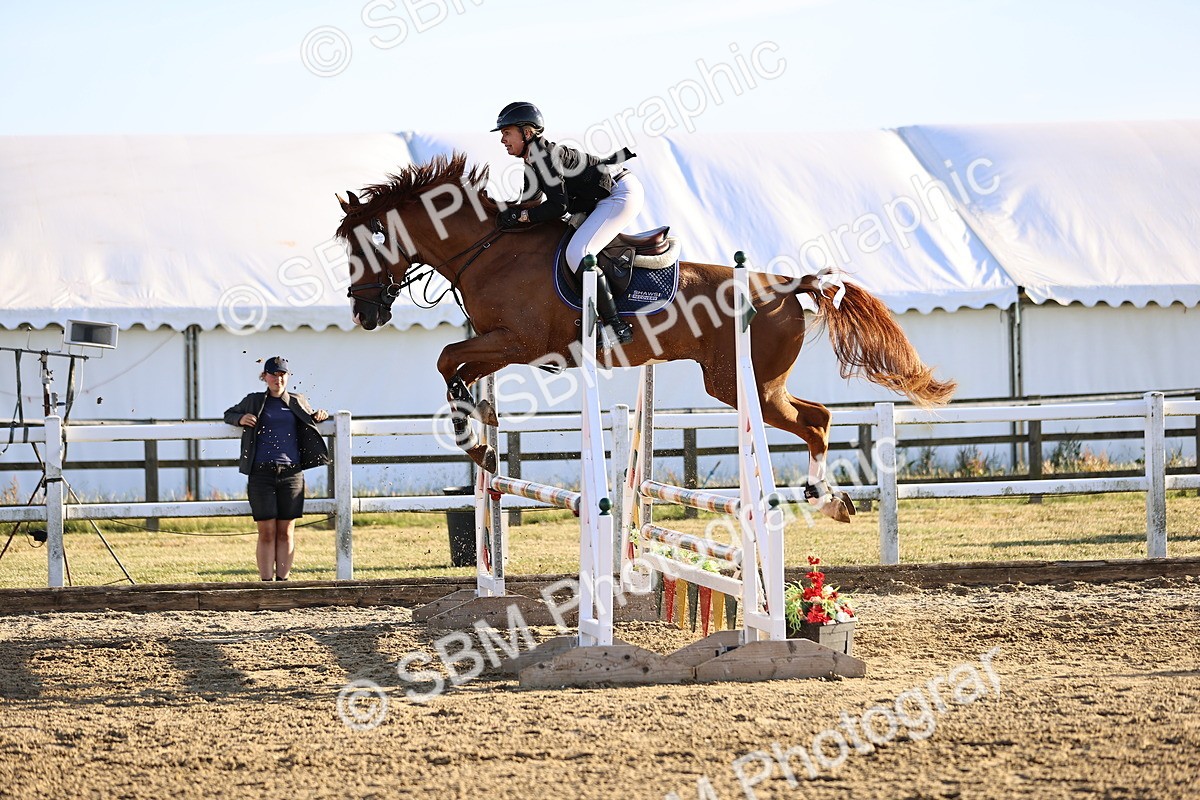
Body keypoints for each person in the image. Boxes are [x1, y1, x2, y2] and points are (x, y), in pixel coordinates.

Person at [492, 100, 642, 344]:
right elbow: (530, 202)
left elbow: (557, 206)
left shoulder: (543, 157)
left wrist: (520, 217)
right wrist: (505, 215)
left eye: (507, 133)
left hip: (619, 193)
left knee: (578, 253)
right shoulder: (531, 160)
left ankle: (616, 326)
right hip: (602, 196)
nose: (502, 140)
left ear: (527, 133)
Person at [223, 356, 330, 581]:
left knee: (286, 531)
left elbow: (312, 417)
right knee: (266, 532)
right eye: (273, 374)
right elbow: (228, 414)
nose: (277, 379)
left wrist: (321, 415)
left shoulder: (298, 400)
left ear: (288, 377)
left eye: (282, 375)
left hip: (291, 473)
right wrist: (241, 418)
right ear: (264, 376)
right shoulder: (253, 400)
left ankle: (283, 582)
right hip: (261, 472)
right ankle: (266, 583)